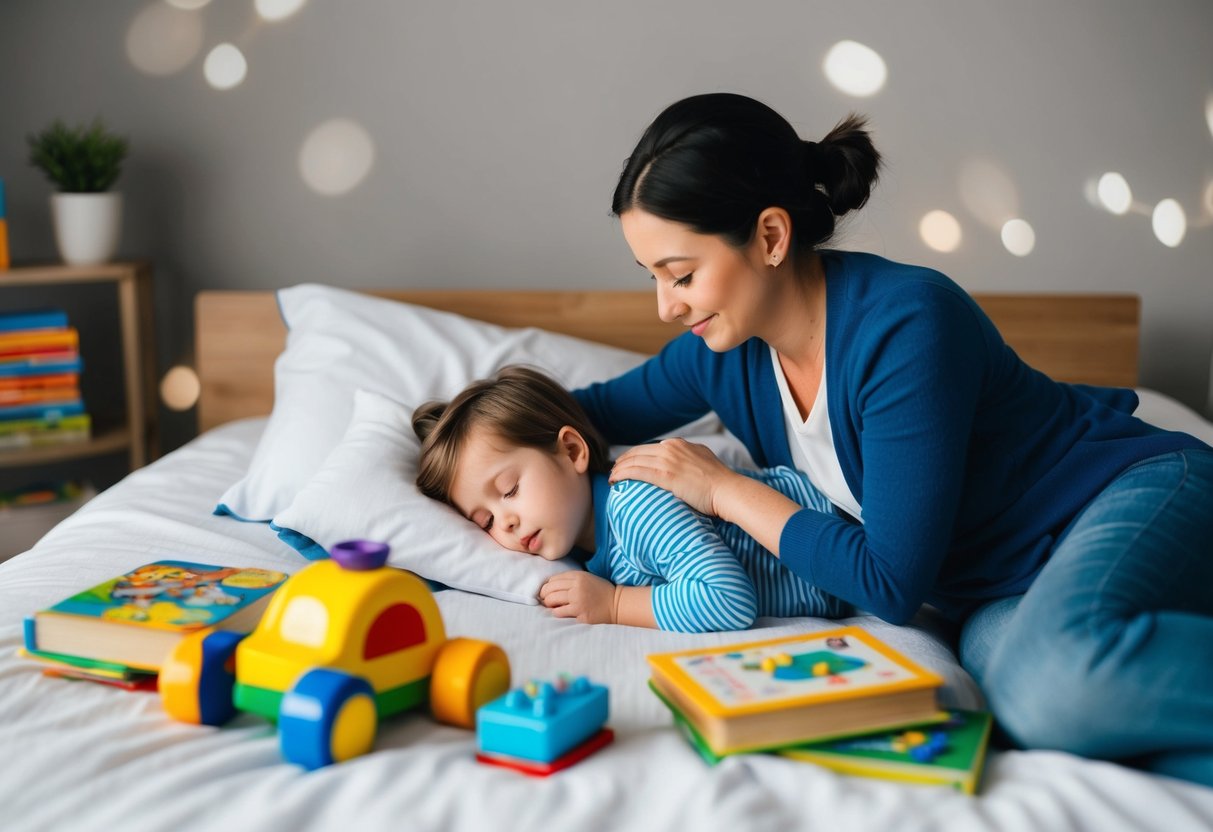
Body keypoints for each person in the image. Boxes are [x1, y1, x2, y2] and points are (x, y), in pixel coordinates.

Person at [573, 92, 1213, 786]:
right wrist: (456, 438)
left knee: (1055, 682)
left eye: (681, 275)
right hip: (997, 588)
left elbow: (891, 584)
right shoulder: (718, 353)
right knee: (1032, 713)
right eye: (652, 279)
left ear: (768, 237)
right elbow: (583, 418)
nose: (665, 307)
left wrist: (724, 491)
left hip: (1123, 493)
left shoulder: (906, 326)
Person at [411, 365, 851, 633]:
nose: (504, 521)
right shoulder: (584, 554)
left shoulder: (635, 503)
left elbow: (727, 600)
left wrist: (615, 604)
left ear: (572, 451)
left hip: (847, 530)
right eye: (485, 520)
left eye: (510, 490)